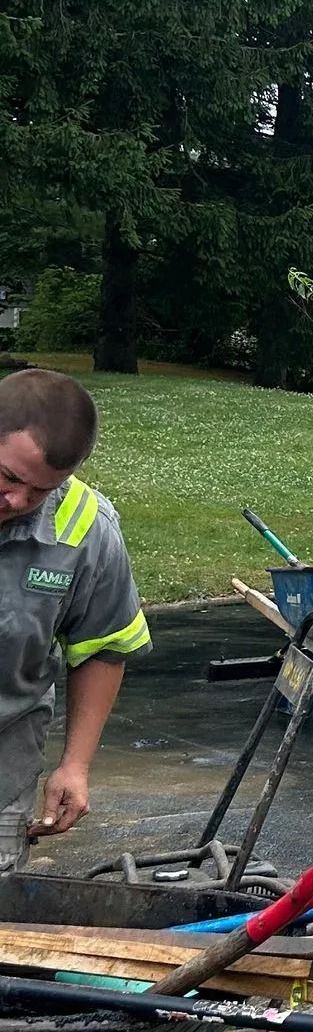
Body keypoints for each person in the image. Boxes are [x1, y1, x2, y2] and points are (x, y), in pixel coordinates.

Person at [0, 366, 150, 871]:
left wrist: (76, 764)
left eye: (41, 491)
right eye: (9, 478)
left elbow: (104, 646)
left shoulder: (86, 528)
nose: (19, 501)